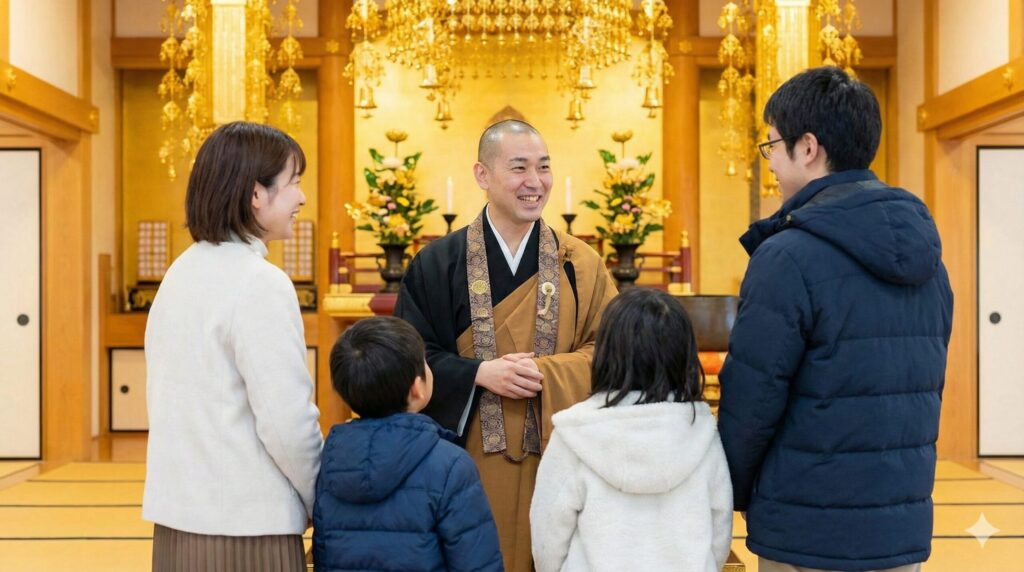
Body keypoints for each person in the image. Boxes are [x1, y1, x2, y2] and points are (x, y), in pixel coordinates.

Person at [718, 66, 954, 572]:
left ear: (807, 148)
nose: (771, 164)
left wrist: (728, 491)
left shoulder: (787, 257)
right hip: (899, 521)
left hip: (808, 527)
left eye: (771, 147)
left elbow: (753, 398)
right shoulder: (929, 260)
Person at [393, 119, 617, 571]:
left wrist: (550, 373)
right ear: (482, 175)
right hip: (463, 462)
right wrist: (477, 373)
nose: (535, 182)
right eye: (519, 168)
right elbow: (407, 360)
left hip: (560, 461)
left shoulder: (582, 264)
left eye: (544, 167)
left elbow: (614, 354)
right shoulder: (437, 264)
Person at [143, 121, 323, 571]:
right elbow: (286, 423)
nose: (302, 198)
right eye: (294, 183)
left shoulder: (180, 272)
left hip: (178, 517)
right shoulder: (260, 283)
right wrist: (323, 497)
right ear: (255, 195)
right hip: (247, 526)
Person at [530, 287, 733, 572]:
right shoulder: (700, 430)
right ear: (683, 353)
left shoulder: (574, 432)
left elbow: (547, 542)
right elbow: (720, 532)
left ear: (606, 350)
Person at [313, 316, 503, 571]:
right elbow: (477, 563)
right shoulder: (450, 465)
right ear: (417, 388)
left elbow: (324, 556)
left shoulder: (332, 460)